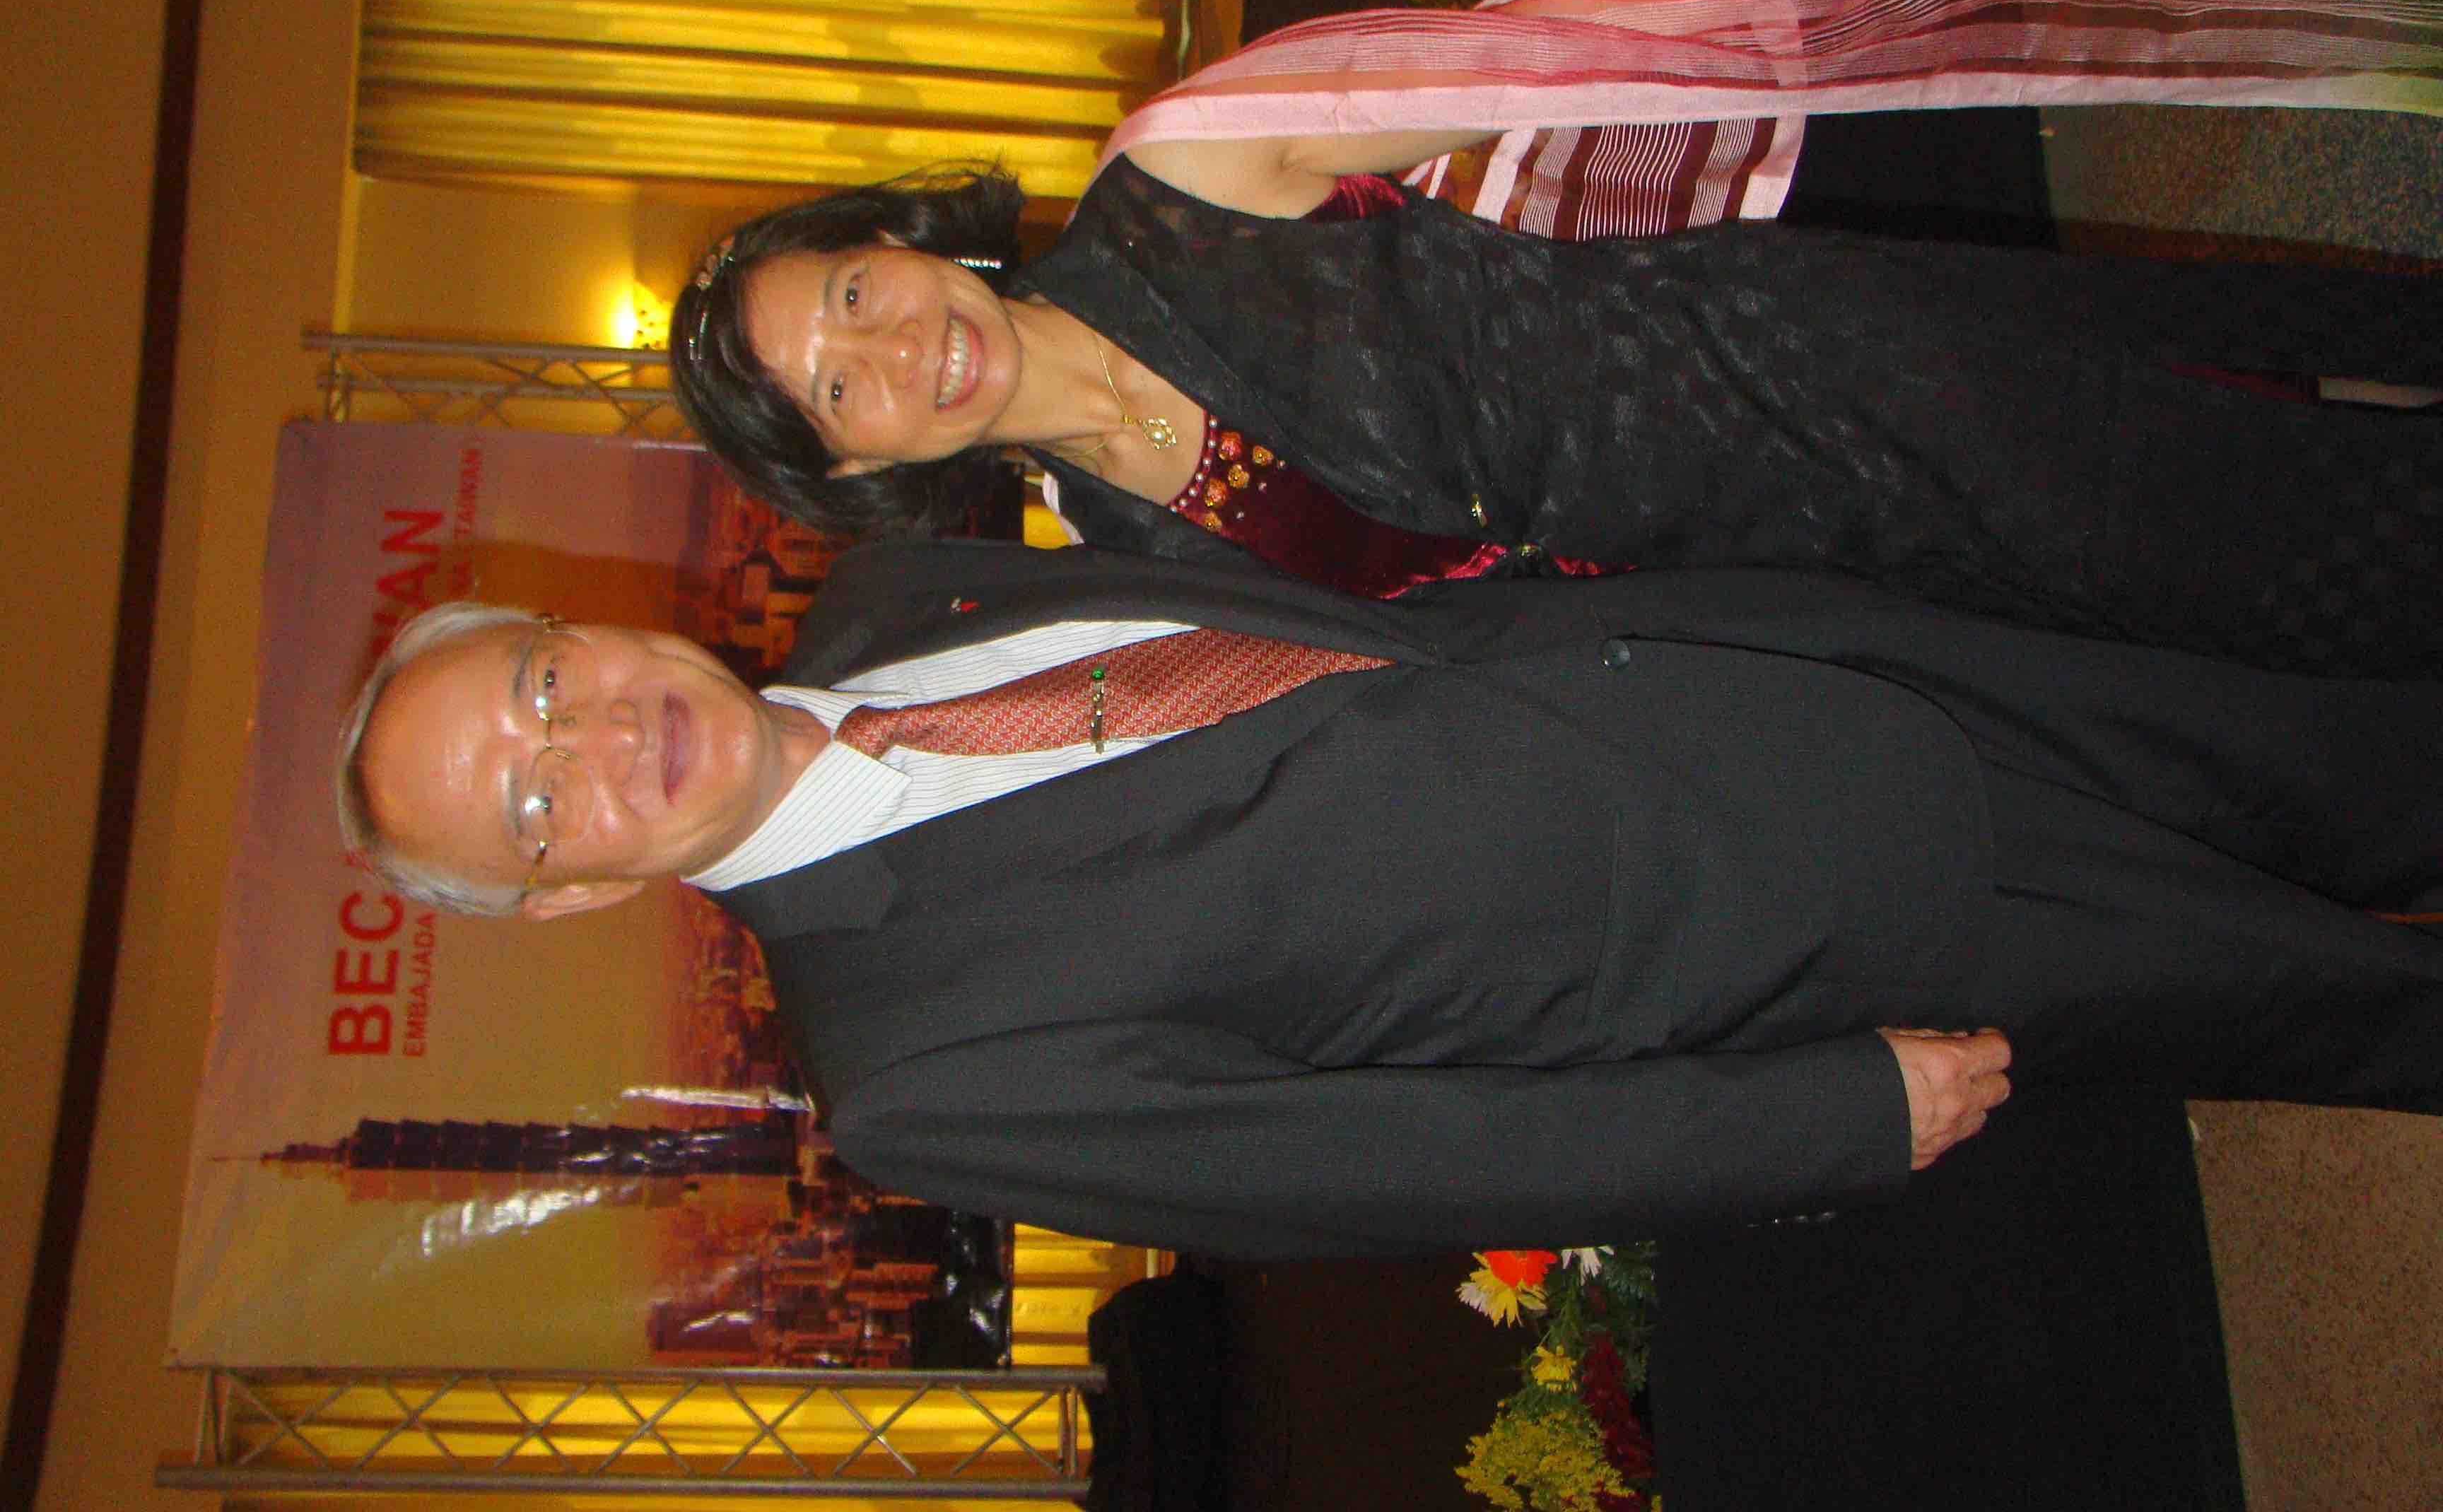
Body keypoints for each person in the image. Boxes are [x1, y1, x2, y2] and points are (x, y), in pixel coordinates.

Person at [669, 0, 2443, 677]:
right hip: (1768, 600)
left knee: (2219, 496)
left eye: (852, 295)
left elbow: (1558, 52)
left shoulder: (1178, 182)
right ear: (861, 469)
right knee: (2193, 606)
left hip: (1814, 378)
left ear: (905, 240)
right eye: (838, 392)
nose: (891, 351)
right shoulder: (1128, 559)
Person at [337, 539, 2443, 1259]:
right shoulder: (919, 1078)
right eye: (532, 805)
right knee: (2311, 987)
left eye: (541, 684)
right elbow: (1387, 1165)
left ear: (578, 629)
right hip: (1794, 907)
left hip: (1766, 657)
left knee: (2308, 751)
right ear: (563, 899)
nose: (589, 742)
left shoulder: (904, 595)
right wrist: (1818, 1118)